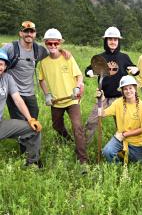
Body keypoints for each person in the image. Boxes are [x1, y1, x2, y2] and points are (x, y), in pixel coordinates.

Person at [38, 28, 88, 165]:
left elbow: (79, 76)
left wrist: (77, 87)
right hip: (56, 102)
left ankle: (83, 160)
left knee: (77, 127)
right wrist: (47, 94)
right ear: (46, 44)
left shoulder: (68, 57)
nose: (53, 46)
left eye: (56, 43)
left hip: (72, 100)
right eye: (50, 44)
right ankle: (69, 141)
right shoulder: (44, 62)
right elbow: (41, 80)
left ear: (60, 43)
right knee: (57, 126)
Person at [85, 27, 139, 144]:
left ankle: (125, 149)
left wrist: (136, 70)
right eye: (110, 39)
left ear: (119, 41)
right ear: (106, 41)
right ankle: (83, 149)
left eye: (115, 39)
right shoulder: (100, 57)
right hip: (103, 97)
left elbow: (133, 68)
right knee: (91, 122)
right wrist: (89, 73)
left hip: (120, 98)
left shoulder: (124, 57)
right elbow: (88, 69)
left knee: (123, 126)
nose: (113, 42)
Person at [0, 49, 42, 167]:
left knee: (33, 129)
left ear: (6, 66)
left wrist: (30, 119)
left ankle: (33, 163)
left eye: (1, 64)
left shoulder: (7, 79)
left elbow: (18, 99)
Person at [3, 21, 48, 121]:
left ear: (35, 34)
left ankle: (29, 136)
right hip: (13, 92)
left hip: (30, 92)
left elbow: (54, 53)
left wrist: (63, 51)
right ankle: (20, 136)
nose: (29, 34)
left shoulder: (39, 50)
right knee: (20, 121)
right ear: (21, 33)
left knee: (33, 118)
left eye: (31, 32)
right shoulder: (10, 48)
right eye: (26, 31)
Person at [101, 75, 142, 163]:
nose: (128, 91)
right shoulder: (118, 103)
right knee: (107, 151)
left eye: (130, 88)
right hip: (121, 139)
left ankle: (125, 155)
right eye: (125, 89)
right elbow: (101, 114)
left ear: (135, 89)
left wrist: (125, 134)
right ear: (122, 91)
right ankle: (118, 169)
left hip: (137, 142)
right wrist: (100, 100)